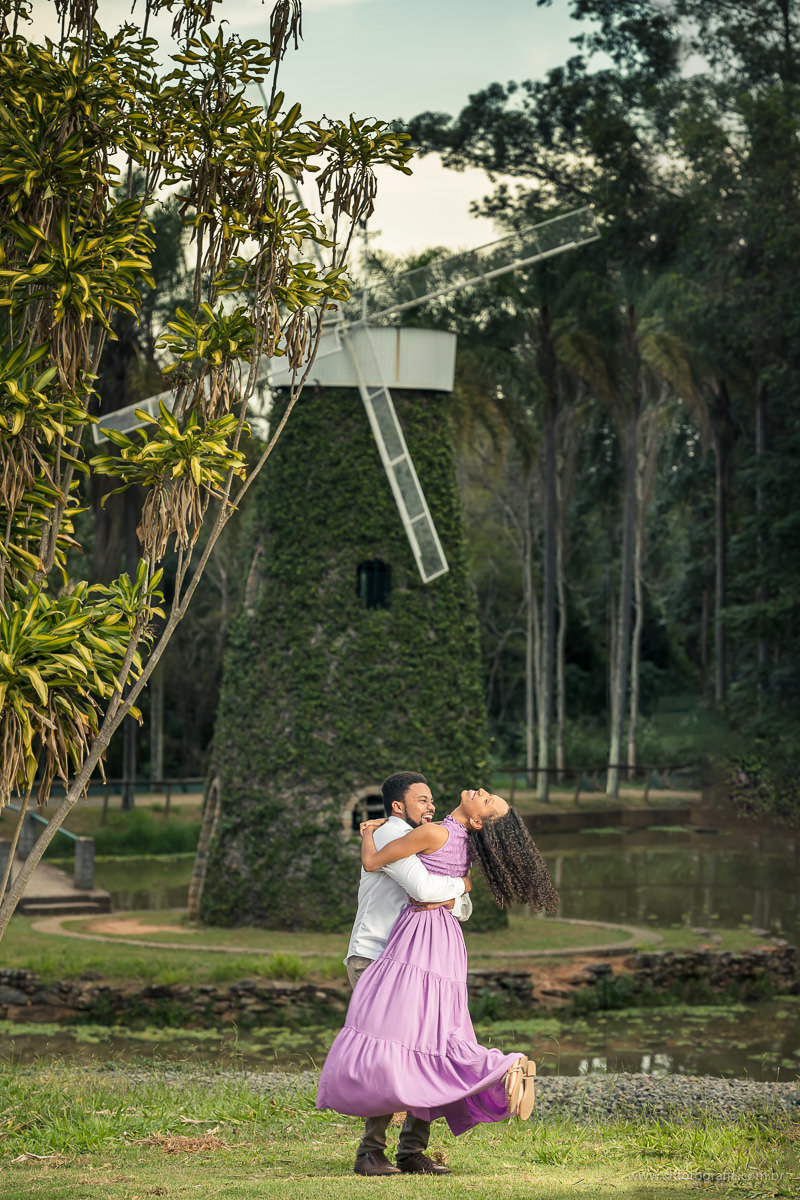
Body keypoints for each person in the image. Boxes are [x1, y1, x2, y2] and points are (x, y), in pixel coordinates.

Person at [317, 784, 559, 1170]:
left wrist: (365, 836)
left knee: (401, 1044)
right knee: (428, 1042)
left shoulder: (434, 833)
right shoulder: (449, 842)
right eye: (422, 799)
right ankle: (413, 1143)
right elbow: (439, 894)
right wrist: (460, 887)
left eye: (487, 799)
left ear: (478, 819)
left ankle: (386, 1150)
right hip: (437, 943)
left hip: (416, 943)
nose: (482, 789)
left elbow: (381, 867)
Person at [342, 771, 475, 1177]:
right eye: (422, 800)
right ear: (399, 805)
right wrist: (465, 883)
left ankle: (412, 1151)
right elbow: (424, 891)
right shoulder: (387, 836)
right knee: (389, 1058)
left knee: (429, 1051)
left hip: (413, 961)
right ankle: (369, 1153)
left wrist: (456, 893)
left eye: (433, 800)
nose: (431, 807)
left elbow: (457, 909)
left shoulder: (423, 842)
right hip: (376, 956)